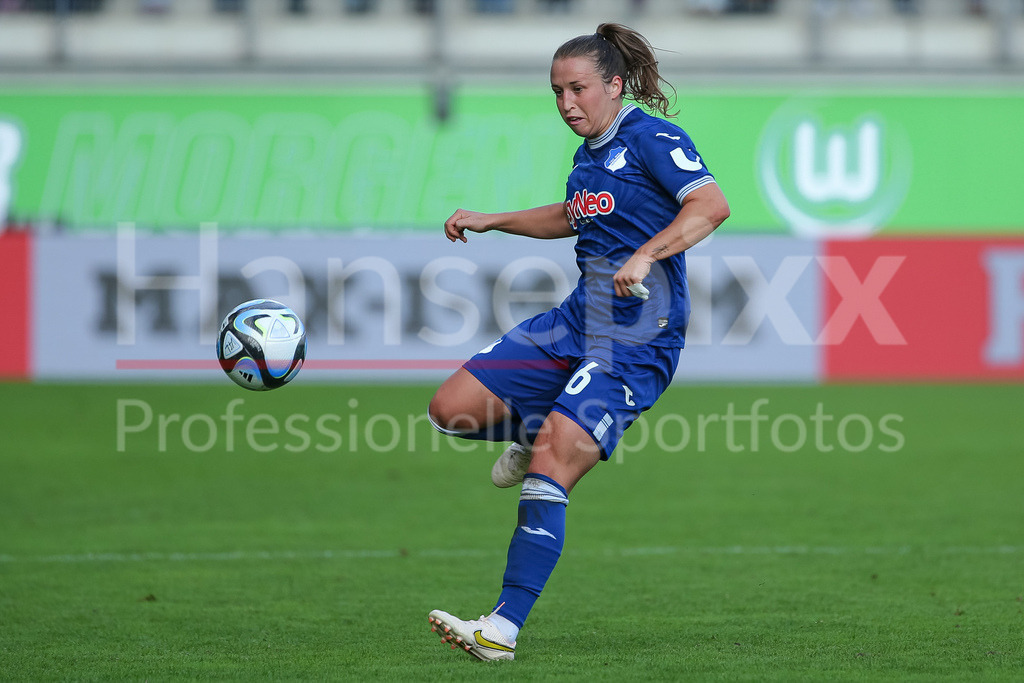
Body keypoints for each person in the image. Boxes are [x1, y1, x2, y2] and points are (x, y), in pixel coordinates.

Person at [426, 22, 730, 662]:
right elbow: (573, 216)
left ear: (615, 86)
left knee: (552, 468)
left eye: (578, 89)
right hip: (575, 319)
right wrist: (493, 219)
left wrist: (648, 255)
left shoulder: (655, 137)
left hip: (638, 336)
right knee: (452, 407)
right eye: (557, 92)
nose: (567, 104)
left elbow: (709, 206)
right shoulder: (589, 155)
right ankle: (533, 428)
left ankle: (500, 629)